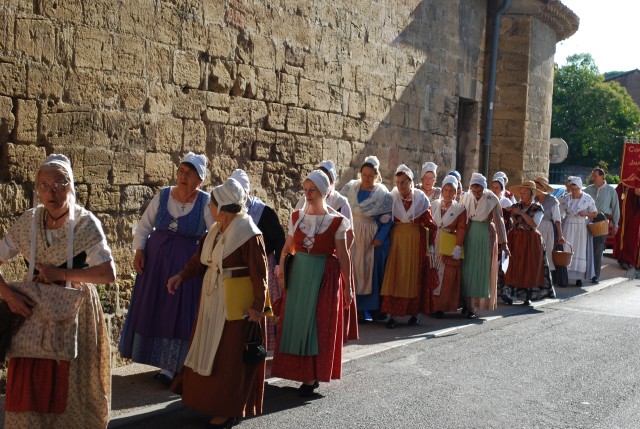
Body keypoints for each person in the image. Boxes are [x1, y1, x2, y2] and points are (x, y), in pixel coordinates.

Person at [0, 154, 115, 428]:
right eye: (44, 185)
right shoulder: (28, 222)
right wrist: (9, 295)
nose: (51, 192)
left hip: (74, 311)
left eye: (59, 184)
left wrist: (63, 274)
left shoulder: (86, 223)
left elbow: (108, 273)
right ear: (37, 188)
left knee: (72, 386)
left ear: (70, 186)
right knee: (29, 389)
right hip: (34, 311)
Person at [167, 178, 268, 428]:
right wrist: (181, 276)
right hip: (211, 300)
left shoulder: (248, 234)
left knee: (229, 356)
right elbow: (200, 260)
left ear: (222, 208)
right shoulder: (214, 231)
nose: (209, 207)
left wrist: (258, 307)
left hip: (236, 307)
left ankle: (227, 409)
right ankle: (207, 401)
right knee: (207, 349)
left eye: (211, 204)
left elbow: (260, 273)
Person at [119, 152, 213, 386]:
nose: (184, 176)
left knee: (178, 314)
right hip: (156, 266)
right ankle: (155, 359)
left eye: (191, 173)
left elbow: (213, 234)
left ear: (200, 181)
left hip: (184, 267)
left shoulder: (205, 203)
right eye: (182, 171)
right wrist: (139, 251)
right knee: (156, 309)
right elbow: (144, 226)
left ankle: (172, 366)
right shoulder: (162, 196)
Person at [271, 170, 352, 397]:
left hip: (324, 278)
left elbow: (343, 257)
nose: (307, 194)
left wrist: (349, 288)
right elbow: (288, 249)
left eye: (312, 190)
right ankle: (298, 372)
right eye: (305, 190)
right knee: (296, 323)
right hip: (299, 275)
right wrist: (281, 273)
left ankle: (312, 376)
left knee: (317, 325)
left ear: (324, 192)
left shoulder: (337, 221)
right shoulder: (296, 217)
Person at [229, 169, 285, 350]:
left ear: (246, 192)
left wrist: (278, 263)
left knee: (261, 303)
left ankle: (264, 344)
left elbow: (279, 238)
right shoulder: (228, 210)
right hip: (239, 267)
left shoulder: (263, 212)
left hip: (263, 265)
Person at [380, 164, 436, 328]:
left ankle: (415, 313)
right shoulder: (392, 198)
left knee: (413, 276)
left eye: (403, 182)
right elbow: (385, 219)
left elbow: (431, 225)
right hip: (397, 242)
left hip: (415, 244)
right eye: (397, 182)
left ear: (410, 181)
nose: (400, 186)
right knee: (395, 276)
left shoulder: (421, 200)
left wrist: (431, 245)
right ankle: (393, 315)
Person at [340, 156, 393, 321]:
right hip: (351, 232)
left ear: (376, 176)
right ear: (360, 173)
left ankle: (370, 308)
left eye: (371, 175)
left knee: (368, 272)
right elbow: (339, 209)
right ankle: (353, 309)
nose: (367, 178)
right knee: (353, 269)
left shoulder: (382, 195)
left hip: (370, 235)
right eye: (365, 174)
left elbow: (387, 220)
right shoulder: (350, 189)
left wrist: (380, 238)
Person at [460, 173, 509, 319]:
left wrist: (504, 244)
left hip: (485, 236)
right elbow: (461, 216)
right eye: (474, 191)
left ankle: (476, 305)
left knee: (481, 270)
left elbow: (499, 222)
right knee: (467, 270)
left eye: (479, 191)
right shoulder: (465, 198)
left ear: (484, 188)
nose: (476, 194)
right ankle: (467, 304)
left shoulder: (491, 199)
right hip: (469, 235)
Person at [503, 181, 555, 305]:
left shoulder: (537, 208)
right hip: (516, 238)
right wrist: (512, 214)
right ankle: (509, 294)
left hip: (531, 240)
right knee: (513, 266)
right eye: (521, 193)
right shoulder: (517, 205)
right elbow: (513, 221)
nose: (522, 195)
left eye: (524, 193)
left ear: (532, 194)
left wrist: (520, 213)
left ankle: (528, 296)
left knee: (529, 267)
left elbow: (534, 224)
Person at [430, 175, 467, 318]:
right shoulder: (433, 205)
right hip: (434, 242)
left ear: (456, 192)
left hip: (447, 243)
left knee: (445, 275)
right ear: (442, 190)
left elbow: (462, 228)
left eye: (452, 190)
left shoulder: (460, 209)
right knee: (432, 271)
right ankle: (430, 304)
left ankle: (440, 306)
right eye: (446, 190)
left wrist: (458, 246)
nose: (449, 193)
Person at [559, 176, 597, 286]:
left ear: (580, 188)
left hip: (581, 226)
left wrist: (586, 214)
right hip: (568, 225)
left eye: (576, 189)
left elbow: (594, 213)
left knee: (580, 249)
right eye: (572, 189)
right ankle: (564, 276)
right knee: (567, 249)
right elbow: (561, 213)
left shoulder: (587, 198)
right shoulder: (566, 198)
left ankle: (579, 278)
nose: (573, 191)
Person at [584, 168, 620, 283]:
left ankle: (596, 275)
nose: (592, 178)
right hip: (587, 220)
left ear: (602, 177)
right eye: (592, 176)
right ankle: (583, 273)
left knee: (598, 249)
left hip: (602, 221)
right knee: (584, 247)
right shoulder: (588, 189)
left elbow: (616, 208)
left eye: (595, 176)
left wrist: (615, 225)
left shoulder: (611, 191)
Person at [533, 177, 567, 287]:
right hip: (535, 227)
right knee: (535, 253)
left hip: (547, 228)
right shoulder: (535, 199)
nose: (537, 189)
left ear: (544, 188)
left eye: (538, 187)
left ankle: (547, 281)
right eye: (536, 187)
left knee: (547, 253)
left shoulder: (552, 201)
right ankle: (536, 279)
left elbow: (557, 219)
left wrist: (560, 235)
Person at [613, 183, 640, 270]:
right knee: (624, 238)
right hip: (622, 219)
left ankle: (632, 261)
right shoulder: (622, 185)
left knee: (633, 238)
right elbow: (613, 199)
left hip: (635, 218)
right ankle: (624, 259)